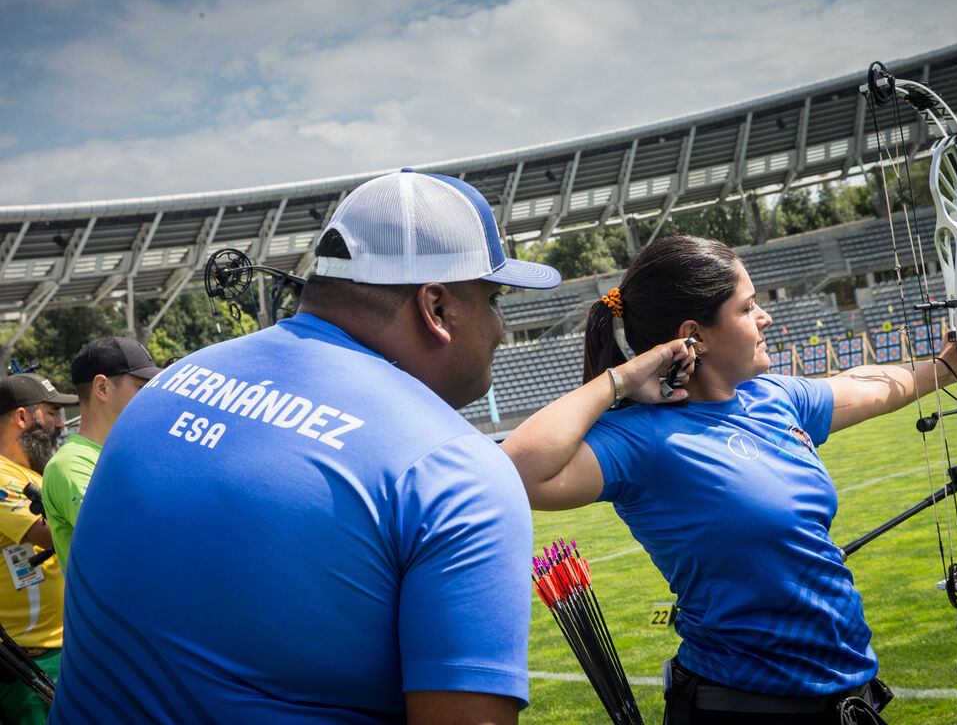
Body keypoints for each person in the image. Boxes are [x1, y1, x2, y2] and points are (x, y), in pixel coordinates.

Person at [48, 169, 561, 725]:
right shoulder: (455, 470)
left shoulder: (170, 385)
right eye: (494, 297)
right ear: (436, 308)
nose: (502, 325)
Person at [503, 235, 957, 724]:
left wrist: (949, 365)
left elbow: (866, 386)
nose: (766, 318)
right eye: (747, 307)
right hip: (742, 707)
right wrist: (622, 380)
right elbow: (518, 470)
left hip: (849, 697)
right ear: (695, 335)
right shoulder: (643, 438)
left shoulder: (772, 397)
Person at [41, 336, 160, 571]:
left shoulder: (134, 454)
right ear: (102, 388)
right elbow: (129, 540)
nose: (153, 396)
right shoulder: (70, 464)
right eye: (141, 388)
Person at [0, 373, 77, 725]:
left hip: (63, 650)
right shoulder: (2, 477)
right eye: (51, 413)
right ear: (21, 417)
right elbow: (51, 533)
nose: (61, 424)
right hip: (28, 662)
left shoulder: (35, 475)